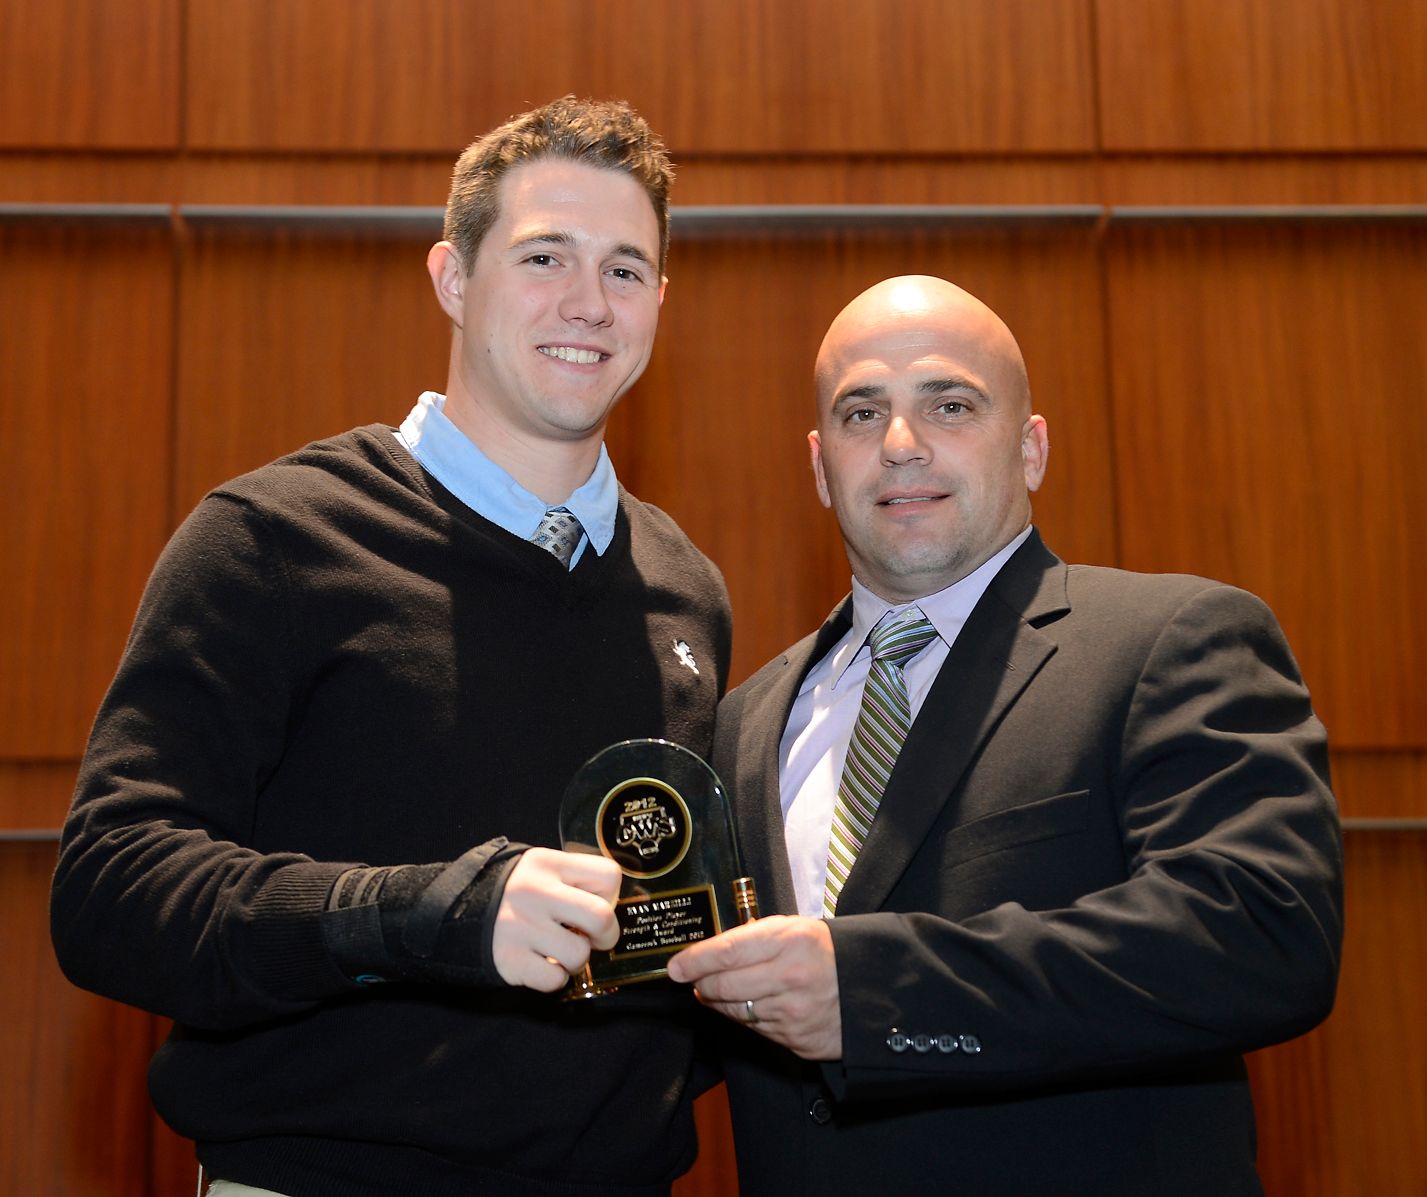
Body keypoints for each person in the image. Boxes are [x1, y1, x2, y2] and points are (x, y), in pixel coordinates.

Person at [51, 97, 731, 1197]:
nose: (586, 303)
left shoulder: (685, 588)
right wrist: (432, 916)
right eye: (543, 255)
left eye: (622, 269)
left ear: (659, 297)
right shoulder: (273, 539)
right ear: (452, 281)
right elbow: (110, 891)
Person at [668, 275, 1343, 1196]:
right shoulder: (744, 722)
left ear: (1030, 449)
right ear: (821, 467)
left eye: (949, 404)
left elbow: (1262, 934)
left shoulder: (1170, 638)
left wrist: (875, 994)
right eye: (862, 414)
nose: (901, 446)